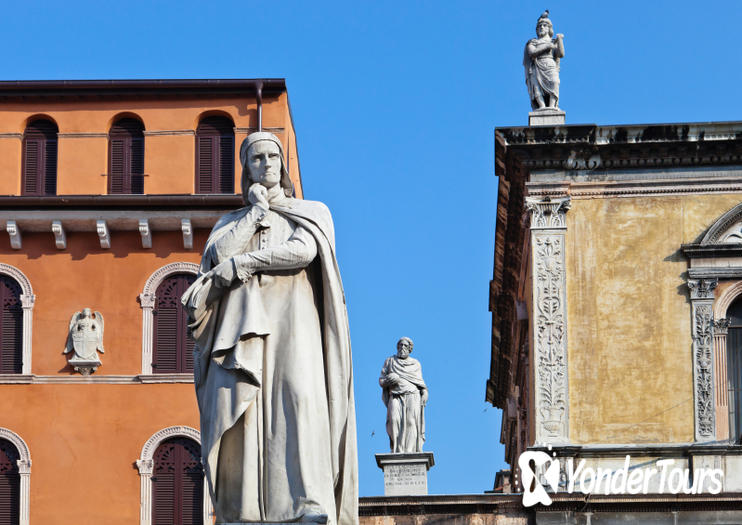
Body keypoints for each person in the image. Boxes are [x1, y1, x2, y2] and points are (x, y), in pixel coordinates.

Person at [182, 132, 357, 524]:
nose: (265, 164)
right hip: (243, 331)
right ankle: (245, 510)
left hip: (295, 328)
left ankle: (307, 503)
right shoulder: (229, 223)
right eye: (256, 158)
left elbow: (303, 251)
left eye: (272, 156)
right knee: (246, 411)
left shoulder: (312, 211)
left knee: (299, 400)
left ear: (283, 164)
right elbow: (215, 258)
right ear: (246, 169)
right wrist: (254, 217)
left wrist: (247, 263)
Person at [379, 337, 428, 453]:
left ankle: (410, 450)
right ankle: (396, 449)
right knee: (394, 420)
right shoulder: (390, 361)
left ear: (410, 349)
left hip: (412, 395)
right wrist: (388, 381)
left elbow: (421, 383)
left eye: (405, 346)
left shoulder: (415, 364)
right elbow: (381, 381)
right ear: (397, 347)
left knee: (411, 422)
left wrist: (425, 392)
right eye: (400, 345)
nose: (402, 347)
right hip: (395, 395)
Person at [523, 10, 565, 110]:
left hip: (550, 64)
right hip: (537, 66)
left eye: (544, 25)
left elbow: (561, 54)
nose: (541, 27)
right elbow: (532, 53)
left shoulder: (553, 41)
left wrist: (559, 40)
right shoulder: (533, 42)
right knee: (537, 88)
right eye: (539, 26)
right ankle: (541, 106)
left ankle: (552, 106)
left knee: (554, 82)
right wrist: (547, 47)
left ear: (549, 28)